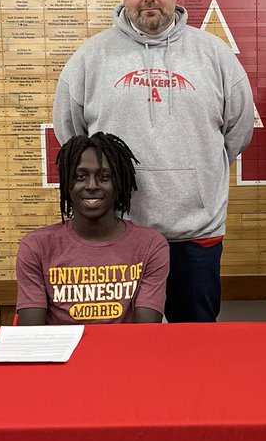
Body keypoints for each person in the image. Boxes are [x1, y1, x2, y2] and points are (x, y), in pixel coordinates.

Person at [53, 0, 254, 323]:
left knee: (193, 347)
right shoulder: (90, 59)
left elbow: (237, 133)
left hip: (195, 233)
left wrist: (197, 170)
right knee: (121, 350)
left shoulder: (214, 55)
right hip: (116, 232)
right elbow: (75, 142)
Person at [16, 132, 169, 325]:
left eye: (104, 177)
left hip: (124, 353)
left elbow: (146, 334)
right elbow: (30, 336)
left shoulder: (151, 245)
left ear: (118, 183)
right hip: (62, 354)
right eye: (80, 176)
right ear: (67, 184)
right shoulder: (36, 246)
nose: (92, 186)